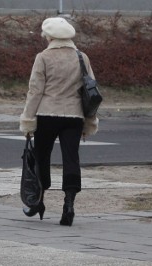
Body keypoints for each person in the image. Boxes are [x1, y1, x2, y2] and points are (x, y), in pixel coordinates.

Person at [19, 17, 99, 226]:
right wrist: (90, 120)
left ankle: (38, 200)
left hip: (47, 114)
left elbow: (35, 91)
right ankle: (69, 204)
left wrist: (28, 119)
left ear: (49, 36)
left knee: (41, 157)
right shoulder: (82, 57)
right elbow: (91, 90)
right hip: (74, 116)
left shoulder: (43, 57)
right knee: (71, 159)